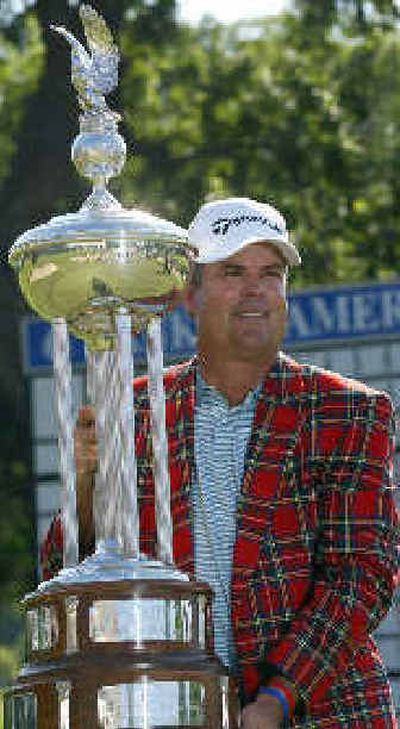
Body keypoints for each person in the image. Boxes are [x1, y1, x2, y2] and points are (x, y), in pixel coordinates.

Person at [41, 197, 399, 729]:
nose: (255, 289)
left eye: (270, 273)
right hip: (174, 709)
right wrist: (89, 480)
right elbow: (66, 572)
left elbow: (360, 577)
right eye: (232, 271)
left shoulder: (348, 411)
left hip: (324, 710)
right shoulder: (133, 410)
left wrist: (275, 701)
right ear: (191, 293)